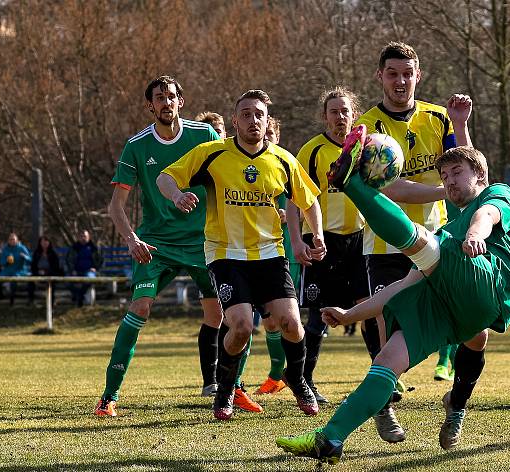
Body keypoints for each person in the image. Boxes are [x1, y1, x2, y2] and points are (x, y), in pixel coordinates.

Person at [277, 144, 510, 462]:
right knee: (386, 360)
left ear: (479, 174)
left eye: (457, 172)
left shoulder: (497, 194)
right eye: (444, 175)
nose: (449, 181)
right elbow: (402, 286)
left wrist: (476, 235)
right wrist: (349, 314)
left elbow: (486, 216)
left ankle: (351, 183)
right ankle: (330, 439)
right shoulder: (450, 232)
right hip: (454, 314)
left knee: (423, 241)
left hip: (489, 287)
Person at [157, 89, 327, 420]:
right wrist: (177, 195)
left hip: (270, 255)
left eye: (259, 115)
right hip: (226, 254)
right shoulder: (212, 153)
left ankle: (296, 378)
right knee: (241, 327)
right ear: (235, 121)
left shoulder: (282, 160)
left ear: (268, 121)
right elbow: (165, 177)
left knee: (292, 323)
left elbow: (309, 201)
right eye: (246, 114)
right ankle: (225, 390)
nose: (253, 120)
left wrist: (316, 233)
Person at [353, 41, 473, 443]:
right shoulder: (366, 127)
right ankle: (383, 405)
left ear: (418, 75)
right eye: (392, 73)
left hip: (435, 243)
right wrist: (442, 192)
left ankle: (456, 403)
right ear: (380, 77)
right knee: (383, 321)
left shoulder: (438, 119)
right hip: (385, 242)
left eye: (408, 73)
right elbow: (388, 190)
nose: (401, 81)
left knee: (472, 327)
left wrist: (460, 123)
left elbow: (468, 172)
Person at [95, 76, 224, 418]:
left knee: (224, 313)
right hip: (156, 243)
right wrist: (131, 239)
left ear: (181, 100)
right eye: (159, 98)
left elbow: (227, 180)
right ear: (149, 106)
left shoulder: (205, 136)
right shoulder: (136, 146)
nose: (166, 102)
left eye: (171, 96)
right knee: (140, 307)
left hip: (202, 241)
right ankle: (109, 396)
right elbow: (115, 206)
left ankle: (231, 389)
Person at [275, 87, 369, 404]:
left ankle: (383, 379)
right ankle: (302, 379)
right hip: (320, 241)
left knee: (369, 309)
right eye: (333, 111)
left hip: (358, 240)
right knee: (319, 317)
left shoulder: (366, 148)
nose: (340, 116)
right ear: (324, 116)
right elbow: (294, 200)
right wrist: (295, 242)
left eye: (345, 110)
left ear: (353, 113)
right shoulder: (312, 151)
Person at [251, 116, 296, 399]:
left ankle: (288, 374)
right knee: (268, 320)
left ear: (276, 136)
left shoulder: (284, 166)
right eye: (263, 134)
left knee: (286, 318)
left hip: (283, 251)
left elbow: (305, 201)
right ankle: (276, 373)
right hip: (251, 251)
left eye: (270, 134)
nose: (265, 138)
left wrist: (289, 215)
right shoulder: (250, 167)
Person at [66, 230, 102, 307]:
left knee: (90, 279)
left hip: (89, 271)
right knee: (67, 281)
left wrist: (95, 268)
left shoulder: (94, 248)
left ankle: (79, 296)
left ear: (88, 237)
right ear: (78, 238)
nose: (83, 238)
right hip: (76, 271)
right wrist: (72, 270)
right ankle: (79, 296)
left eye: (85, 236)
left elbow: (101, 260)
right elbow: (69, 260)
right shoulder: (74, 248)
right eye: (81, 236)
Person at [30, 236, 63, 304]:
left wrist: (46, 272)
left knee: (51, 282)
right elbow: (33, 266)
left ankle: (51, 302)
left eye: (46, 241)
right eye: (42, 242)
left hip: (51, 273)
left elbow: (56, 267)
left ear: (49, 242)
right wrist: (37, 272)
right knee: (30, 281)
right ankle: (30, 300)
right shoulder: (37, 252)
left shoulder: (54, 253)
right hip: (38, 273)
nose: (44, 243)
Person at [0, 232, 31, 305]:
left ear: (17, 240)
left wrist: (24, 257)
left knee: (13, 280)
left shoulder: (22, 248)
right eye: (10, 240)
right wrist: (7, 262)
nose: (12, 241)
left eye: (13, 239)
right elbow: (1, 262)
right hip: (7, 270)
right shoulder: (5, 249)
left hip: (19, 270)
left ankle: (12, 300)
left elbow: (30, 259)